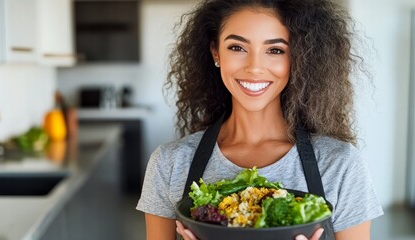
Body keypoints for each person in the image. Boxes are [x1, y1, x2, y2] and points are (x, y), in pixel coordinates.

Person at [136, 0, 384, 239]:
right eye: (237, 47)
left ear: (298, 58)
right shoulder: (169, 164)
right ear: (216, 52)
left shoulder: (340, 165)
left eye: (275, 50)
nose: (255, 67)